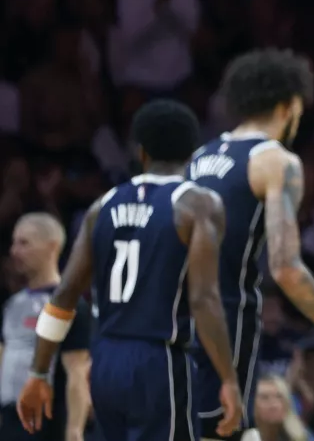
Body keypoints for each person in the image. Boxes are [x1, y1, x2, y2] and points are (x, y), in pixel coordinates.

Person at [16, 100, 243, 441]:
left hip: (105, 361)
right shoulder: (198, 204)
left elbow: (63, 297)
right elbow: (204, 299)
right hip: (158, 359)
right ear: (193, 152)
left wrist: (38, 372)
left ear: (141, 151)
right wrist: (227, 378)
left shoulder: (102, 206)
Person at [187, 48, 314, 440]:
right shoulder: (277, 161)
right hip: (225, 318)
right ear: (290, 105)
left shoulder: (199, 157)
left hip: (177, 319)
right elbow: (286, 268)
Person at [1, 213, 91, 441]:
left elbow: (77, 372)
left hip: (47, 422)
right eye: (14, 243)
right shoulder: (12, 304)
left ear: (51, 247)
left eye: (24, 243)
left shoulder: (71, 306)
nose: (14, 252)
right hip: (8, 422)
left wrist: (74, 430)